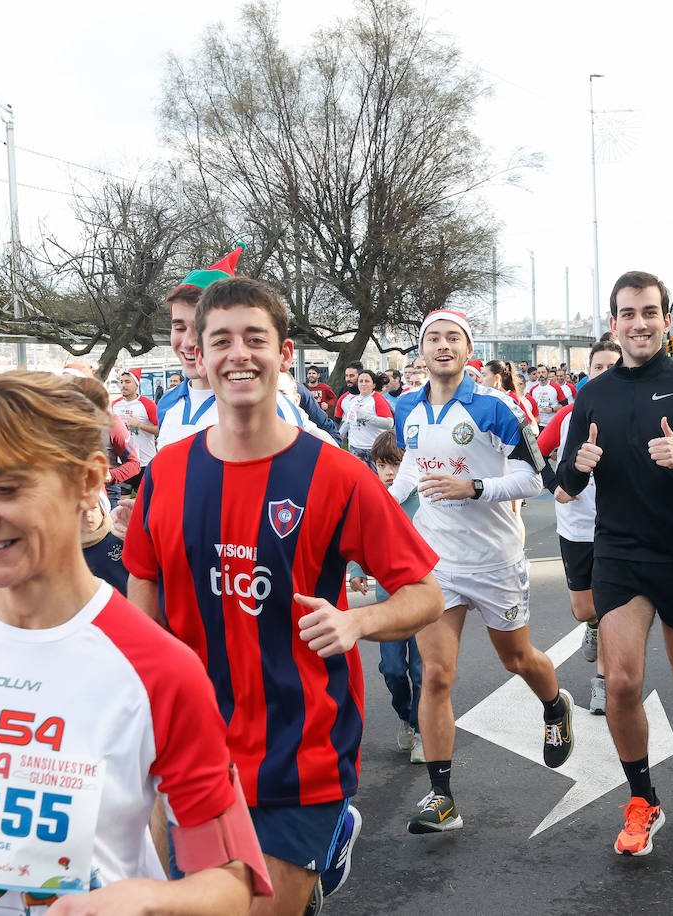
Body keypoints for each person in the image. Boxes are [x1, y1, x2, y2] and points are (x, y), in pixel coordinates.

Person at [0, 371, 271, 915]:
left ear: (88, 482)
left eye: (6, 488)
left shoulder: (160, 667)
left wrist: (149, 900)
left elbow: (231, 884)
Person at [124, 277, 442, 914]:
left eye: (254, 339)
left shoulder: (336, 474)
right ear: (200, 355)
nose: (238, 354)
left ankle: (324, 843)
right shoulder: (168, 472)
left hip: (300, 744)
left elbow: (424, 593)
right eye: (221, 340)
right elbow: (145, 587)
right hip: (194, 740)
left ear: (285, 353)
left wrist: (360, 621)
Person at [557, 270, 673, 856]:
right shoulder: (592, 394)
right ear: (613, 323)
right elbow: (562, 482)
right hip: (618, 552)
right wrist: (580, 466)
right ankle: (643, 798)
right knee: (621, 682)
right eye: (627, 314)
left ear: (666, 321)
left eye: (649, 313)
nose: (638, 323)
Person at [392, 309, 574, 836]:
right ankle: (442, 797)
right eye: (433, 338)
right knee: (436, 674)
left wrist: (472, 488)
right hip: (437, 562)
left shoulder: (497, 408)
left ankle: (554, 702)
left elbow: (533, 480)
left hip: (494, 560)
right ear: (421, 351)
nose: (442, 345)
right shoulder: (407, 405)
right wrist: (382, 504)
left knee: (517, 658)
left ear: (467, 351)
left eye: (453, 338)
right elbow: (411, 461)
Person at [156, 247, 320, 449]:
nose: (189, 342)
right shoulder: (167, 403)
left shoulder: (270, 409)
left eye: (200, 329)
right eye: (179, 327)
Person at [537, 339, 622, 714]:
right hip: (576, 527)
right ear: (589, 372)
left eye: (612, 367)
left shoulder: (636, 412)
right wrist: (556, 486)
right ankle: (590, 626)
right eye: (599, 367)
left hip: (620, 527)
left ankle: (602, 683)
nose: (605, 373)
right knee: (584, 609)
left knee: (610, 608)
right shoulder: (568, 415)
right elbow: (533, 453)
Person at [348, 431, 425, 764]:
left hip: (425, 597)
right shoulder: (375, 497)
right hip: (388, 599)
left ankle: (423, 731)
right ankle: (407, 717)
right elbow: (357, 534)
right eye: (382, 464)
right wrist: (355, 570)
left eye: (395, 463)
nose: (389, 471)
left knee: (423, 671)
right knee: (392, 669)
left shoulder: (424, 496)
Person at [111, 369, 160, 495]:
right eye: (121, 382)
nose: (123, 385)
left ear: (136, 385)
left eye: (127, 382)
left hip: (145, 462)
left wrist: (139, 425)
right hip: (124, 463)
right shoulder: (114, 405)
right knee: (122, 502)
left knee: (145, 503)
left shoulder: (147, 404)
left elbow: (160, 429)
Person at [336, 369, 394, 465]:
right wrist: (338, 436)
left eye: (367, 381)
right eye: (360, 381)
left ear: (373, 385)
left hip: (374, 448)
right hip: (355, 447)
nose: (363, 384)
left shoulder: (377, 399)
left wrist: (366, 417)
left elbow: (389, 423)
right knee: (358, 479)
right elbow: (348, 421)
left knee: (375, 479)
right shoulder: (354, 400)